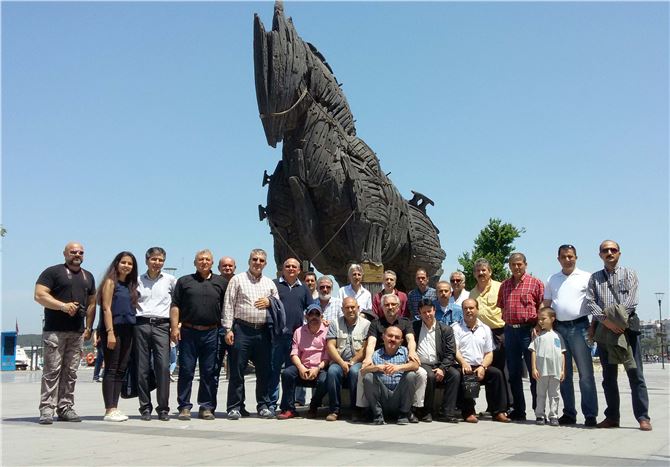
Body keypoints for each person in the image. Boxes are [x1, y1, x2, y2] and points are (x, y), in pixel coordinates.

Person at [585, 240, 651, 431]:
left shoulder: (629, 274)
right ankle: (612, 417)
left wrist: (618, 322)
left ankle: (643, 417)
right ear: (600, 255)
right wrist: (606, 322)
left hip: (626, 328)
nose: (609, 252)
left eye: (613, 249)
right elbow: (591, 302)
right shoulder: (595, 278)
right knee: (608, 377)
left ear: (619, 253)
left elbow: (631, 301)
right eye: (605, 250)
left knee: (635, 374)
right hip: (605, 329)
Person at [34, 242, 96, 424]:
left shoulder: (88, 276)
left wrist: (89, 327)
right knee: (52, 371)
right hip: (54, 331)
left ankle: (65, 407)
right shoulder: (52, 272)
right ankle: (47, 409)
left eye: (81, 252)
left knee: (70, 372)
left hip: (77, 332)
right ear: (65, 253)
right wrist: (62, 306)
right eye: (73, 252)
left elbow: (92, 303)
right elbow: (39, 295)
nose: (77, 255)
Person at [542, 245, 598, 427]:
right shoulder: (552, 279)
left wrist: (593, 326)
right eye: (564, 257)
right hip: (559, 329)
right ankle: (569, 413)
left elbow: (595, 304)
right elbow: (546, 304)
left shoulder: (586, 277)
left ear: (576, 257)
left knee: (585, 374)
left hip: (580, 327)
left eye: (570, 256)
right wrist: (539, 324)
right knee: (563, 374)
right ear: (558, 258)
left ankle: (590, 414)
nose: (567, 260)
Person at [170, 249, 228, 421]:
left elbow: (227, 307)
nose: (204, 262)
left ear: (212, 263)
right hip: (188, 332)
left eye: (207, 259)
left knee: (209, 371)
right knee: (186, 370)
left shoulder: (221, 282)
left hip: (212, 332)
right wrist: (174, 328)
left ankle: (206, 407)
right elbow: (175, 305)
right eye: (200, 259)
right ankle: (184, 407)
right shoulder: (184, 281)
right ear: (195, 263)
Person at [223, 248, 279, 420]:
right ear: (249, 261)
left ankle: (263, 405)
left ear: (265, 264)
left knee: (264, 371)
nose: (257, 263)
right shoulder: (237, 279)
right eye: (255, 259)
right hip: (242, 330)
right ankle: (235, 407)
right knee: (237, 370)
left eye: (261, 260)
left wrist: (270, 301)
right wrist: (228, 329)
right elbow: (228, 304)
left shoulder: (269, 283)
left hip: (263, 331)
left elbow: (278, 305)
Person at [361, 293, 424, 423]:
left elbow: (410, 339)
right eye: (387, 305)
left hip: (402, 358)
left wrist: (412, 352)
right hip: (379, 357)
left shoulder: (405, 322)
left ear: (399, 307)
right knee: (363, 374)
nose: (390, 307)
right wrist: (368, 359)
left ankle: (412, 409)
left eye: (393, 304)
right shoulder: (376, 323)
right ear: (382, 307)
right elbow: (371, 342)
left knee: (419, 374)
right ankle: (363, 409)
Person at [497, 252, 544, 421]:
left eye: (519, 264)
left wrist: (538, 326)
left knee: (534, 372)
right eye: (513, 264)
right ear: (509, 266)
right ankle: (519, 410)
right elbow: (502, 306)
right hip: (510, 331)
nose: (516, 267)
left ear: (525, 264)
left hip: (528, 331)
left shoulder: (535, 283)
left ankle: (539, 411)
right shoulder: (505, 285)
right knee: (514, 373)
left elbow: (542, 307)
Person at [135, 247, 176, 422]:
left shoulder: (170, 280)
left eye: (160, 260)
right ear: (146, 260)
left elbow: (176, 304)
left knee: (163, 368)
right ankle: (145, 407)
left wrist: (175, 326)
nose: (157, 263)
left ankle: (163, 408)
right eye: (153, 259)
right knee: (142, 368)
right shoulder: (137, 280)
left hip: (162, 325)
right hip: (141, 324)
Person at [453, 299, 510, 423]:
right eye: (465, 308)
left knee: (496, 374)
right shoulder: (456, 328)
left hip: (480, 365)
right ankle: (468, 412)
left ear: (477, 310)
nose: (468, 311)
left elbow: (489, 353)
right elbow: (455, 351)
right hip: (463, 365)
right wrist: (463, 363)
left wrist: (483, 367)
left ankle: (498, 411)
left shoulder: (485, 328)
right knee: (464, 375)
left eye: (471, 308)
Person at [98, 251, 139, 422]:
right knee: (111, 368)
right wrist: (110, 332)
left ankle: (115, 407)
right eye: (123, 262)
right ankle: (109, 409)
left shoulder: (130, 285)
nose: (126, 266)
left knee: (121, 369)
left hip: (128, 329)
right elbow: (106, 308)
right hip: (113, 329)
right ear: (116, 263)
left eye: (130, 264)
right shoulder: (110, 282)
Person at [270, 258, 313, 413]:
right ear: (283, 269)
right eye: (287, 266)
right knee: (273, 371)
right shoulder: (273, 285)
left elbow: (311, 307)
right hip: (276, 336)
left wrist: (322, 319)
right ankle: (271, 404)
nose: (290, 268)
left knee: (290, 373)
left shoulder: (304, 289)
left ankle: (289, 404)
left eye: (294, 266)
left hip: (295, 338)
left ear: (299, 270)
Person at [277, 303, 330, 419]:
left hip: (320, 367)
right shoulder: (298, 331)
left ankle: (314, 405)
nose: (314, 317)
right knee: (287, 373)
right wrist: (301, 367)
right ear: (306, 316)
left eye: (317, 314)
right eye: (311, 314)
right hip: (303, 366)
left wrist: (317, 368)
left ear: (321, 317)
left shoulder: (327, 331)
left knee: (325, 380)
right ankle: (289, 409)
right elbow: (294, 353)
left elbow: (327, 356)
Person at [413, 298, 460, 423]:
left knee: (455, 375)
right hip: (422, 363)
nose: (427, 314)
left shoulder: (445, 329)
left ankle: (447, 412)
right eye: (424, 312)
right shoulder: (415, 327)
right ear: (419, 313)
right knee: (429, 376)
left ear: (434, 311)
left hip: (440, 363)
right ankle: (426, 411)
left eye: (429, 311)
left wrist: (442, 368)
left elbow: (451, 352)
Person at [361, 326, 419, 425]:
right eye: (390, 336)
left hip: (399, 396)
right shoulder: (375, 354)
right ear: (383, 337)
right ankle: (378, 415)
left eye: (397, 337)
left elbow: (415, 365)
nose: (393, 339)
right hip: (382, 396)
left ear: (401, 341)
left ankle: (403, 414)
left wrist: (398, 367)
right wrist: (377, 367)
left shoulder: (406, 352)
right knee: (368, 377)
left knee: (411, 375)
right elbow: (363, 371)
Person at [326, 297, 370, 421]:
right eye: (347, 308)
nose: (350, 310)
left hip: (357, 361)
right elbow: (330, 346)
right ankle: (334, 410)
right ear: (342, 309)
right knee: (332, 372)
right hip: (339, 361)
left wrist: (352, 362)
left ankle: (355, 410)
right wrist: (341, 363)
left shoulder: (366, 324)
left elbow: (365, 347)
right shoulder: (335, 323)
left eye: (352, 307)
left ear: (358, 308)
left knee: (355, 372)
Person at [529, 307, 566, 426]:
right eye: (539, 319)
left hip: (555, 370)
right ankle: (540, 415)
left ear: (552, 319)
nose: (541, 321)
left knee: (554, 394)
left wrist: (562, 370)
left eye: (543, 319)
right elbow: (533, 352)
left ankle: (553, 415)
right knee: (540, 394)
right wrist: (534, 368)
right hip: (541, 370)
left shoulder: (558, 336)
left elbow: (562, 353)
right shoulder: (538, 336)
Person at [215, 256, 236, 398]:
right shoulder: (213, 282)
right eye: (224, 266)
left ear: (234, 268)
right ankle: (209, 405)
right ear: (218, 268)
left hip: (237, 330)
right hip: (217, 330)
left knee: (236, 370)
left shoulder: (240, 281)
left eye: (230, 266)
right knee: (214, 368)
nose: (227, 268)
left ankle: (236, 405)